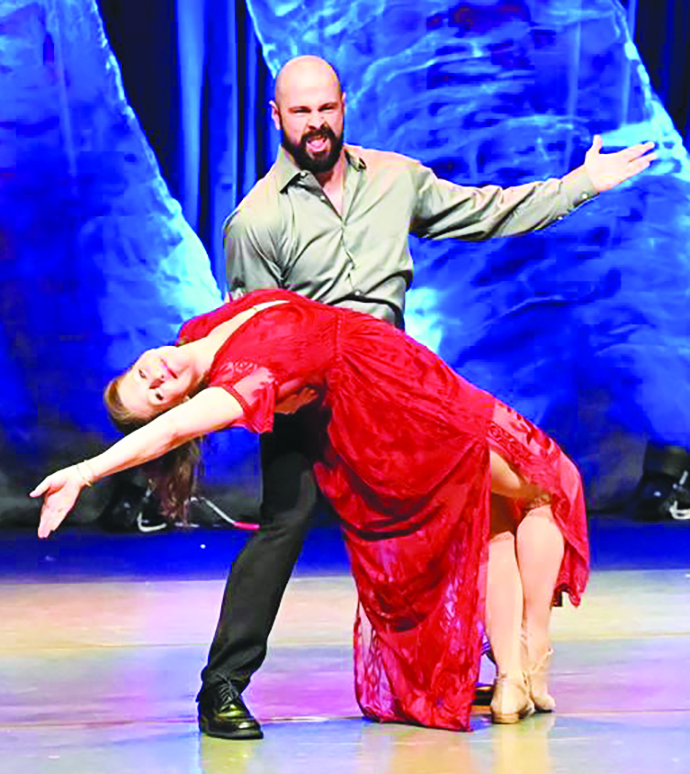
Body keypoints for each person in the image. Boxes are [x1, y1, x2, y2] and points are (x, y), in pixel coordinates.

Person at [188, 54, 654, 737]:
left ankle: (490, 667)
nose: (316, 124)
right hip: (312, 397)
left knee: (470, 501)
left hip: (398, 387)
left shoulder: (396, 178)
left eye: (326, 108)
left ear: (342, 105)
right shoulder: (256, 221)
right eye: (301, 112)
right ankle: (221, 686)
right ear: (276, 116)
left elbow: (487, 211)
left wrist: (579, 185)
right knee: (284, 524)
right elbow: (252, 330)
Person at [32, 290, 590, 732]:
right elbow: (173, 432)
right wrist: (85, 472)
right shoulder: (236, 386)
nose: (155, 376)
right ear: (175, 406)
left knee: (493, 509)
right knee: (550, 481)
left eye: (140, 374)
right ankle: (531, 660)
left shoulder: (199, 331)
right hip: (402, 409)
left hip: (410, 370)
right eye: (154, 395)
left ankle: (516, 682)